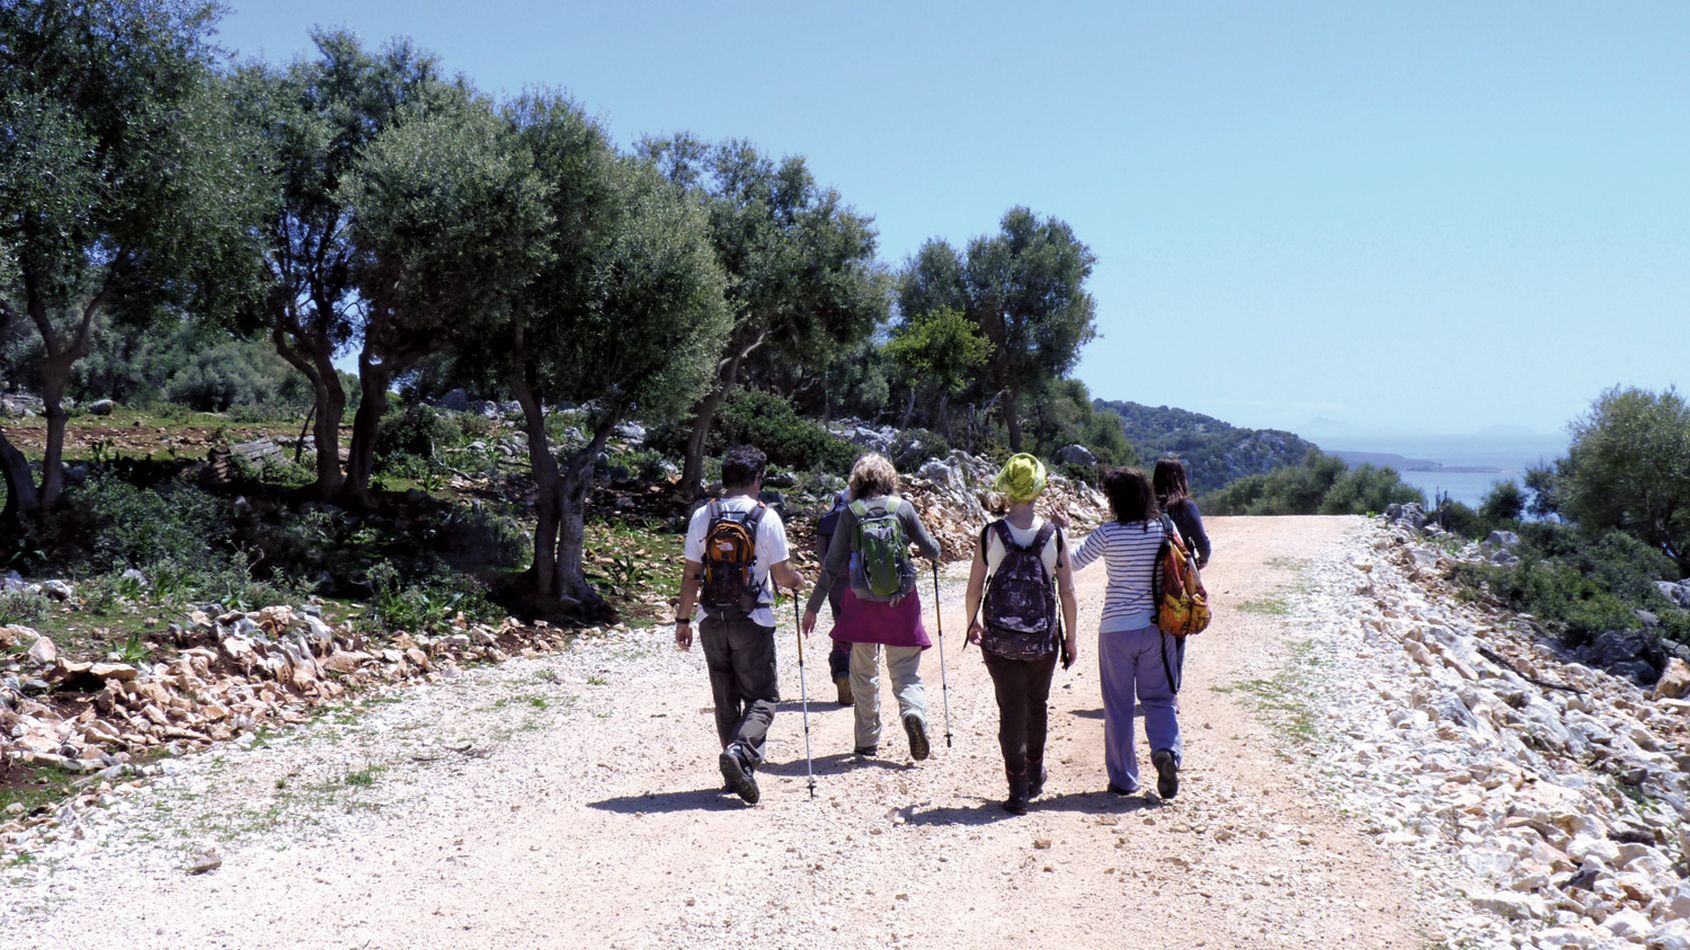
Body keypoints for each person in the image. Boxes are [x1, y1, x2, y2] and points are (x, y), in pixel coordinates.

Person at [675, 444, 806, 805]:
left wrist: (683, 620)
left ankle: (735, 772)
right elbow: (781, 576)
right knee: (763, 697)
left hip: (710, 620)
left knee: (725, 698)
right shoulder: (767, 517)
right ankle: (740, 753)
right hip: (753, 619)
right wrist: (798, 582)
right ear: (757, 480)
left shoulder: (704, 515)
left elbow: (691, 574)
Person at [800, 453, 942, 760]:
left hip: (861, 604)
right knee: (905, 673)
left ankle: (867, 741)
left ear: (857, 483)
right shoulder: (903, 508)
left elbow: (831, 565)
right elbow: (931, 550)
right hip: (900, 602)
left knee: (863, 676)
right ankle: (912, 713)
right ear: (890, 480)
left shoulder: (851, 512)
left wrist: (812, 607)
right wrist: (934, 550)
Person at [964, 453, 1079, 815]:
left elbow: (973, 589)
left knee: (1009, 709)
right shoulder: (1054, 535)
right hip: (1042, 640)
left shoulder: (990, 533)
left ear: (1006, 487)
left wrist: (972, 623)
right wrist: (1071, 638)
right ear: (1039, 487)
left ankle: (1016, 791)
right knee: (1036, 705)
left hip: (999, 641)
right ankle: (1034, 775)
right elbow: (1067, 592)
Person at [1070, 466, 1183, 799]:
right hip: (1156, 629)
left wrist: (1062, 532)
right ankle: (1166, 751)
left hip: (1115, 630)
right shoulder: (1164, 527)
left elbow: (1073, 563)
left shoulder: (1107, 534)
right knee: (1160, 699)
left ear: (1114, 500)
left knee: (1118, 707)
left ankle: (1124, 778)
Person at [814, 489, 854, 705]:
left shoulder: (826, 520)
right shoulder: (862, 516)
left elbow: (822, 555)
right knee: (865, 630)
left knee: (841, 624)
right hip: (861, 582)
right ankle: (860, 679)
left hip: (836, 581)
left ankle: (841, 670)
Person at [1153, 458, 1211, 569]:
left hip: (1152, 568)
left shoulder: (1147, 506)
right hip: (1180, 568)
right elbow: (1202, 542)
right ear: (1181, 479)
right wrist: (1203, 559)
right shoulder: (1186, 506)